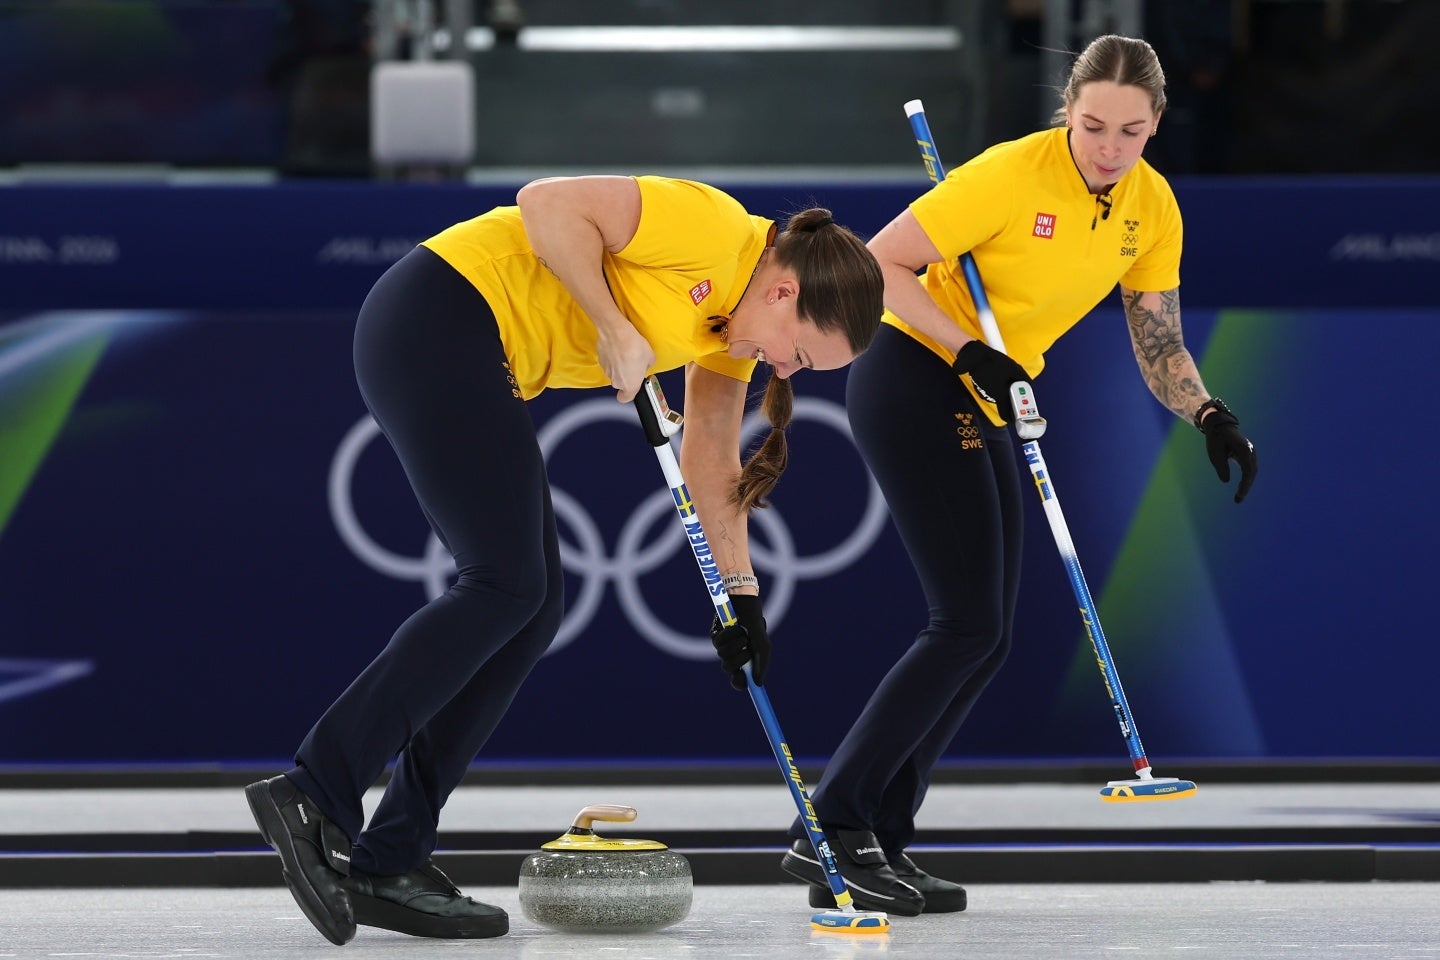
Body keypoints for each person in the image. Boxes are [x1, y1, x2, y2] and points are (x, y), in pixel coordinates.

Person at [245, 175, 884, 943]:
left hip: (483, 354)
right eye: (802, 358)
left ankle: (392, 854)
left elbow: (710, 453)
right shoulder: (714, 230)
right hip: (440, 312)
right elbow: (546, 201)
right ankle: (315, 791)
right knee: (505, 582)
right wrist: (614, 327)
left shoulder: (732, 335)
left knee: (532, 603)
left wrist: (740, 596)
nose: (786, 373)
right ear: (784, 292)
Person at [779, 34, 1258, 917]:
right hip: (918, 370)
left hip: (985, 386)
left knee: (984, 633)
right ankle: (831, 830)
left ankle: (883, 836)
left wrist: (1207, 413)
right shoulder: (1008, 174)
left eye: (1130, 130)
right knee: (963, 622)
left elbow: (1157, 339)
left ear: (1157, 124)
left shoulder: (1152, 209)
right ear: (1065, 112)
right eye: (1091, 125)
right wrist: (967, 347)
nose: (1108, 147)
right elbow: (875, 265)